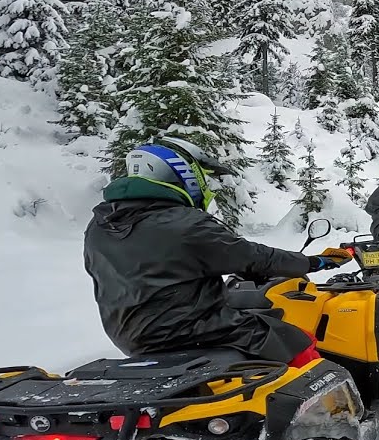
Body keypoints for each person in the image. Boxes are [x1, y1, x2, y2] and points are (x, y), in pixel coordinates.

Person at [84, 137, 353, 367]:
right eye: (203, 177)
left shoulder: (99, 226)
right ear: (181, 173)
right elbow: (254, 258)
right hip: (192, 329)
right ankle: (332, 416)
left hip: (130, 336)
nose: (207, 186)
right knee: (295, 340)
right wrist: (314, 262)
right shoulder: (185, 223)